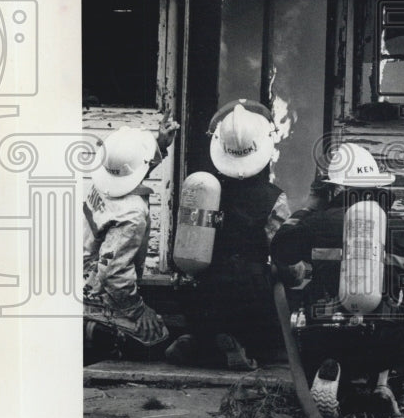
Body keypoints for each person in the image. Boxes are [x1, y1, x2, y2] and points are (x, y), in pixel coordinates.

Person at [269, 142, 404, 418]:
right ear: (377, 186)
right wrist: (394, 321)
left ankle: (329, 369)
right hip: (381, 342)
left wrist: (309, 207)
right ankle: (383, 383)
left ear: (335, 189)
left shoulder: (315, 223)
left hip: (321, 337)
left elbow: (280, 250)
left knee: (321, 336)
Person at [166, 99, 297, 369]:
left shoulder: (202, 189)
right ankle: (243, 344)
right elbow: (282, 251)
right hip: (250, 293)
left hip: (203, 291)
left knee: (207, 316)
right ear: (263, 149)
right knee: (272, 320)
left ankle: (200, 340)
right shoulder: (275, 199)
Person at [83, 111, 179, 365]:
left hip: (81, 275)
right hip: (99, 291)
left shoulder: (104, 182)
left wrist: (159, 144)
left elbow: (130, 171)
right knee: (159, 340)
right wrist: (139, 311)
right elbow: (113, 273)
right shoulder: (133, 213)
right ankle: (96, 330)